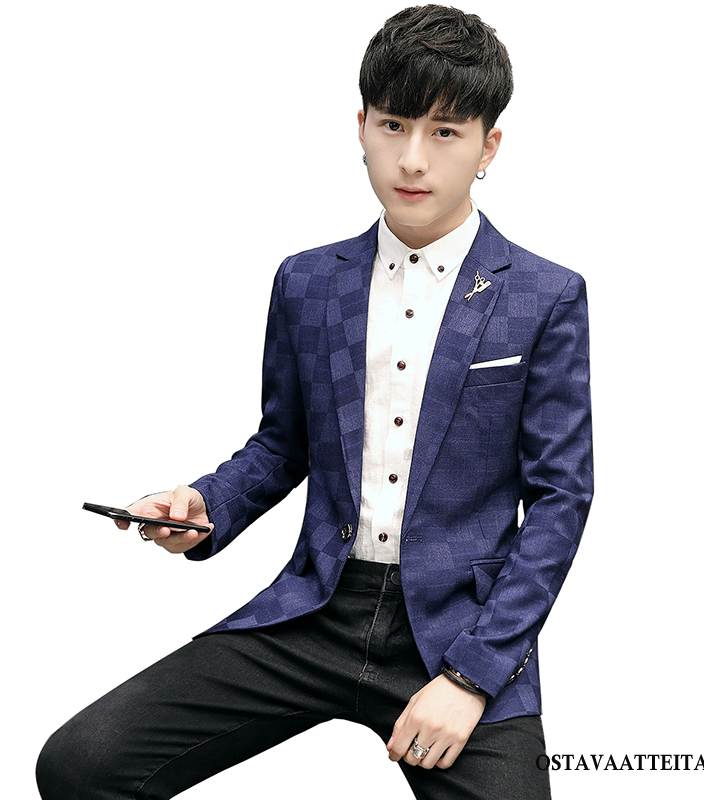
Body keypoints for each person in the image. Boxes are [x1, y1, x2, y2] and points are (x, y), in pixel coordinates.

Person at [36, 5, 593, 798]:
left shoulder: (544, 295)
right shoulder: (308, 281)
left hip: (459, 628)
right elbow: (282, 444)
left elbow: (561, 498)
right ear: (361, 126)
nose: (411, 159)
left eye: (444, 132)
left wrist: (471, 677)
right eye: (393, 124)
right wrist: (204, 505)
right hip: (317, 607)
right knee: (78, 766)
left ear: (487, 146)